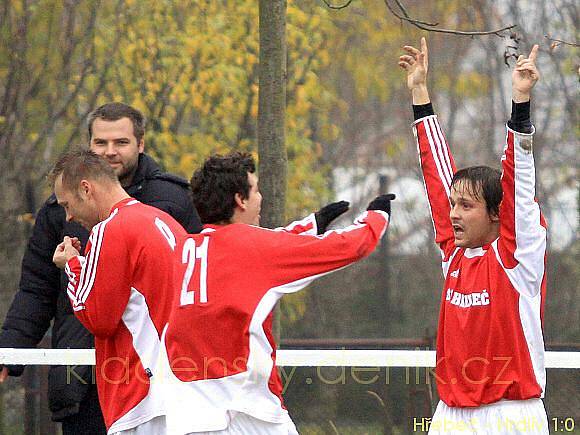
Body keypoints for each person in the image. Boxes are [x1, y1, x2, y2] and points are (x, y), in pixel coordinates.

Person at [0, 102, 202, 434]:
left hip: (156, 373)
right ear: (90, 148)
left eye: (120, 142)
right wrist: (11, 348)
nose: (110, 151)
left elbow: (103, 317)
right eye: (100, 143)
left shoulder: (171, 200)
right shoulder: (56, 212)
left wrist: (75, 266)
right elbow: (36, 289)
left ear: (141, 143)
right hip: (82, 373)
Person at [160, 152, 396, 434]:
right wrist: (376, 216)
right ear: (240, 200)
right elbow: (346, 247)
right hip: (246, 412)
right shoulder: (252, 249)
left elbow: (263, 248)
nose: (260, 198)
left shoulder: (184, 249)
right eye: (256, 190)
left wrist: (313, 224)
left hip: (188, 414)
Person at [399, 38, 548, 434]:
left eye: (466, 206)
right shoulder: (455, 255)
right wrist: (420, 94)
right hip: (450, 416)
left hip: (512, 415)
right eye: (454, 205)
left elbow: (519, 181)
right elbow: (436, 176)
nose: (453, 214)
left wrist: (520, 102)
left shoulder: (517, 258)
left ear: (498, 215)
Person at [50, 148, 189, 434]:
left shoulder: (110, 228)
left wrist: (73, 267)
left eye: (67, 204)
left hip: (142, 392)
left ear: (86, 189)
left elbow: (98, 318)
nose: (68, 217)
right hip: (183, 385)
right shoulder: (165, 222)